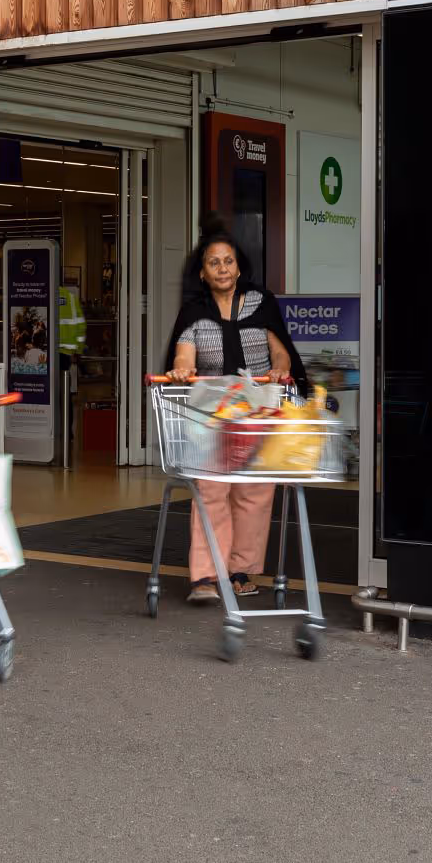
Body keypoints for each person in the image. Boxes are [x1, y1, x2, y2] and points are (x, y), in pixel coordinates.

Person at [164, 216, 307, 605]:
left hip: (258, 405)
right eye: (214, 263)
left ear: (239, 267)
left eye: (228, 261)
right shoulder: (195, 310)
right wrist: (181, 367)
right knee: (211, 490)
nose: (223, 269)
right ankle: (206, 576)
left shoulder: (262, 301)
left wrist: (281, 368)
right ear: (203, 273)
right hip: (211, 409)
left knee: (255, 492)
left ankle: (240, 569)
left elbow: (279, 346)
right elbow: (184, 351)